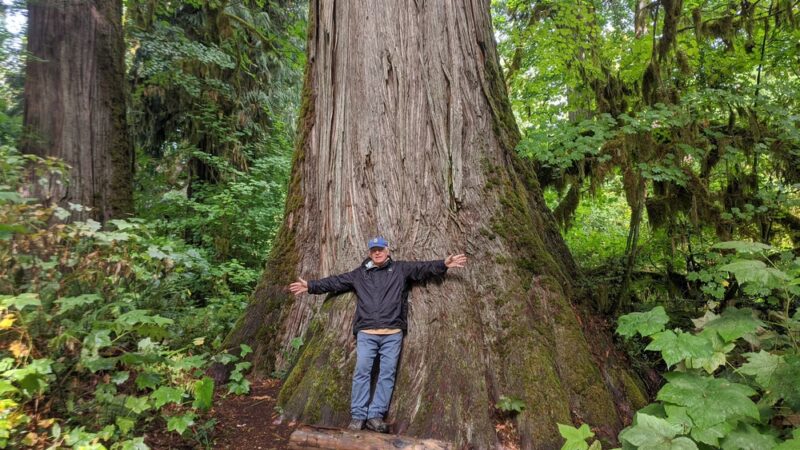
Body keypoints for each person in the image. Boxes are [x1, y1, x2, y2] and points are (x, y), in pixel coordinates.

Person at [288, 236, 467, 433]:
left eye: (380, 249)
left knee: (387, 374)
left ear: (387, 250)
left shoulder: (400, 269)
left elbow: (422, 268)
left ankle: (375, 415)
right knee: (362, 372)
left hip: (392, 333)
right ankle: (357, 416)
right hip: (367, 332)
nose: (377, 252)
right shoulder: (360, 274)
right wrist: (310, 286)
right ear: (369, 253)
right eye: (373, 250)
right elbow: (336, 282)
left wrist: (444, 263)